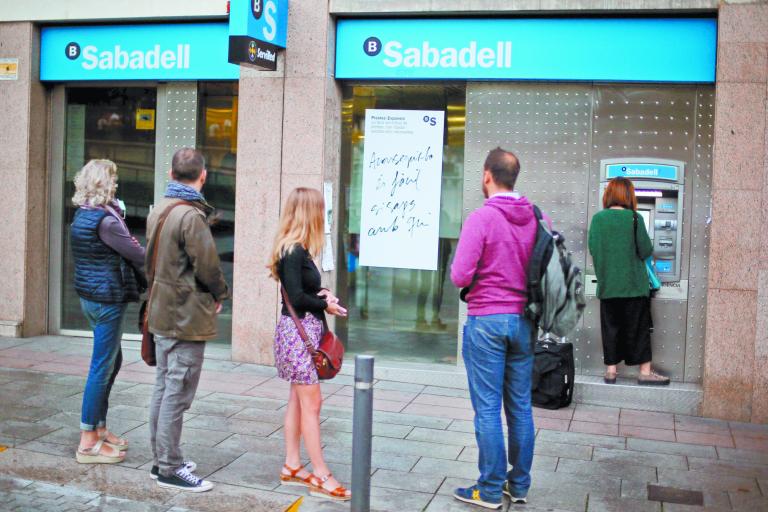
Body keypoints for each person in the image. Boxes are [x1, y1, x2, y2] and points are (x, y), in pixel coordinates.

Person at [450, 148, 539, 509]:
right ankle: (517, 486)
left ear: (487, 175)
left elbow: (459, 275)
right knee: (520, 406)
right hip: (524, 322)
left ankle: (488, 489)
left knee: (487, 408)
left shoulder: (481, 218)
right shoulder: (537, 216)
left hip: (487, 321)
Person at [146, 148, 230, 492]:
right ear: (203, 175)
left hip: (162, 311)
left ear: (171, 173)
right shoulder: (190, 217)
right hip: (184, 315)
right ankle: (169, 467)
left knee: (164, 388)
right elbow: (208, 266)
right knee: (177, 393)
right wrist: (219, 294)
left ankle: (160, 459)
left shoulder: (159, 209)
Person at [268, 187, 351, 502]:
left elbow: (303, 292)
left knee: (298, 401)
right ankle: (321, 473)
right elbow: (297, 296)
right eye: (320, 209)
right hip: (297, 336)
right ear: (308, 213)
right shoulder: (293, 251)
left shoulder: (296, 249)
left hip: (300, 333)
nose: (323, 214)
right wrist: (324, 305)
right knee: (312, 406)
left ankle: (292, 465)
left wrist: (323, 294)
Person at [70, 159, 146, 464]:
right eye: (113, 179)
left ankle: (99, 428)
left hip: (90, 297)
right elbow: (138, 255)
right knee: (101, 366)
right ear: (107, 183)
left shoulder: (83, 215)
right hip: (107, 299)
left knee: (113, 360)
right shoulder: (107, 220)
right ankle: (88, 441)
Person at [588, 177, 670, 386]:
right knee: (638, 329)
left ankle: (611, 371)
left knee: (611, 328)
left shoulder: (598, 219)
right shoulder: (635, 219)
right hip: (634, 286)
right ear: (629, 196)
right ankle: (644, 372)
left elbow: (594, 249)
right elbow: (645, 250)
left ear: (609, 195)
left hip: (608, 286)